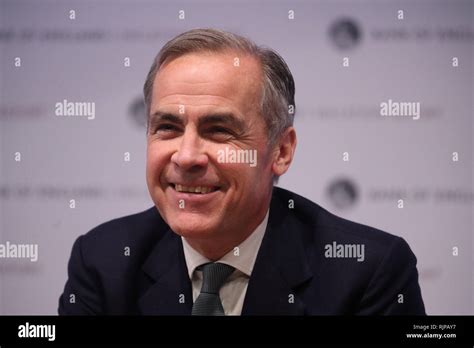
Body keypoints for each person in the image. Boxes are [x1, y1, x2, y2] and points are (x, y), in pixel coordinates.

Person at [58, 28, 425, 315]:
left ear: (280, 151)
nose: (186, 157)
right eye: (167, 127)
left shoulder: (368, 272)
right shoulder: (103, 261)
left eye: (219, 130)